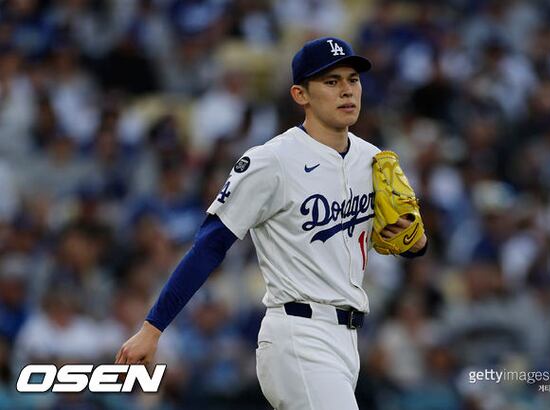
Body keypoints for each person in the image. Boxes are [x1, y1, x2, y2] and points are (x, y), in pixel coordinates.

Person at [116, 37, 427, 410]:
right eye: (331, 82)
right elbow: (210, 245)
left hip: (347, 340)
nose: (347, 90)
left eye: (353, 79)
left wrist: (416, 243)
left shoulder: (372, 159)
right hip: (297, 334)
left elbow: (402, 242)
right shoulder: (271, 160)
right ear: (300, 94)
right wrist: (152, 329)